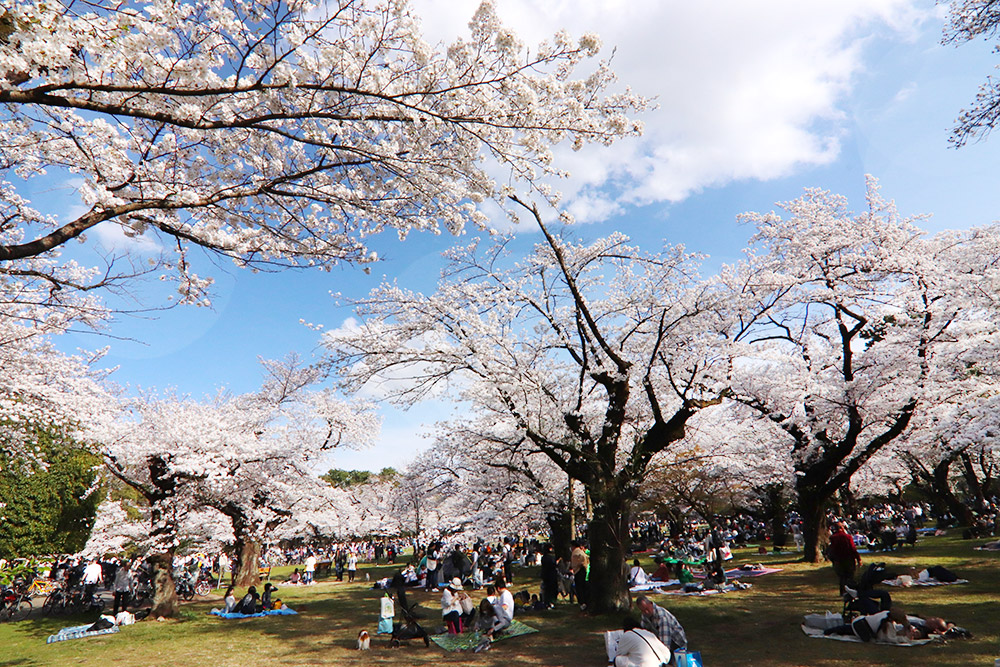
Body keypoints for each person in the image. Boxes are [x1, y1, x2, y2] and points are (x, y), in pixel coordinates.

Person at [828, 522, 862, 594]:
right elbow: (853, 548)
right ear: (841, 528)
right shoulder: (848, 537)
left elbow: (831, 550)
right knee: (850, 576)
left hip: (838, 560)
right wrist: (858, 558)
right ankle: (850, 591)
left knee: (842, 577)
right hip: (848, 559)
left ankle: (842, 591)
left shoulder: (832, 538)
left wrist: (833, 559)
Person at [570, 541, 589, 610]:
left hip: (579, 570)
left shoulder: (576, 553)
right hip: (582, 570)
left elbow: (577, 562)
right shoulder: (581, 552)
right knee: (582, 586)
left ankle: (582, 602)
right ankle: (584, 601)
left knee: (579, 587)